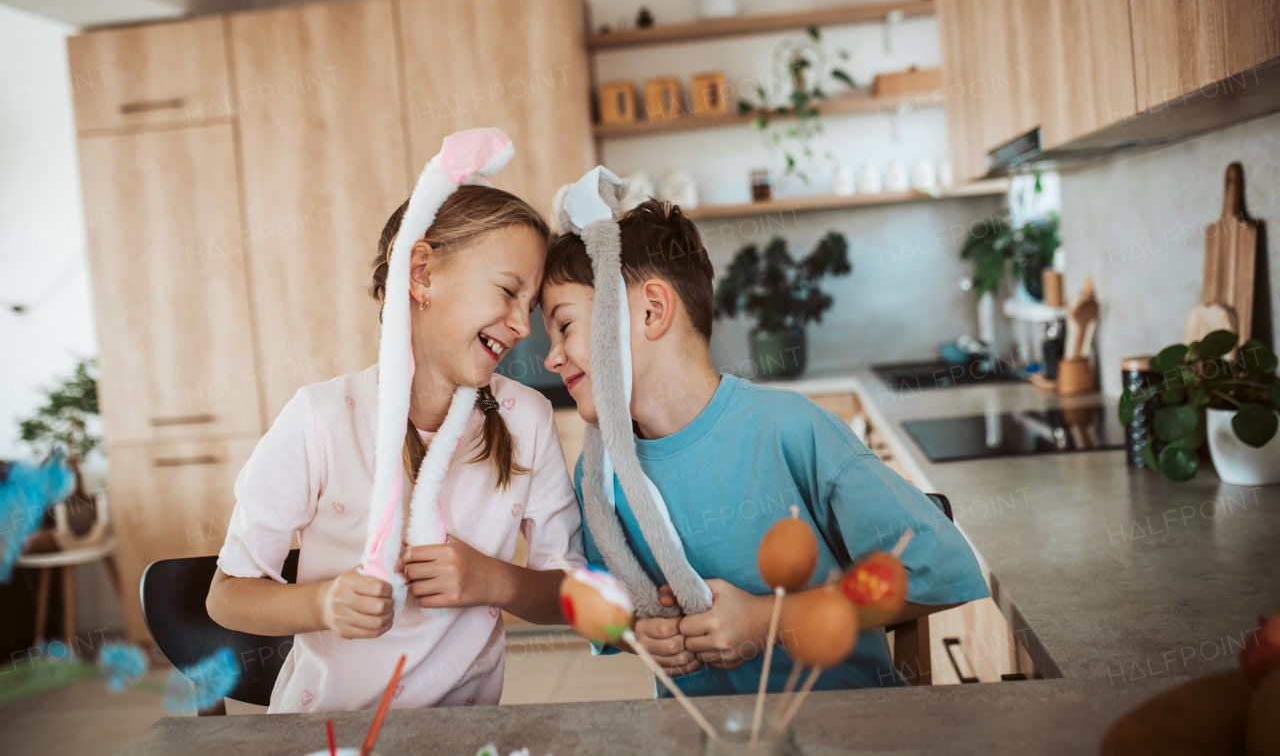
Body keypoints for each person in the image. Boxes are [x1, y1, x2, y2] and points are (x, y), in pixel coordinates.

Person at [541, 181, 989, 696]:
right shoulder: (599, 476)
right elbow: (610, 605)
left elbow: (938, 564)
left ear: (650, 311)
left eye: (565, 326)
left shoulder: (788, 430)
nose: (552, 357)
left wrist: (769, 620)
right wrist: (638, 634)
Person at [207, 129, 584, 712]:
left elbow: (571, 592)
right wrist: (323, 603)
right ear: (422, 274)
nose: (523, 326)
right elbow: (227, 597)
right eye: (508, 292)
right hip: (326, 733)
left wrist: (496, 582)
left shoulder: (526, 419)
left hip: (462, 731)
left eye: (529, 307)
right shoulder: (320, 418)